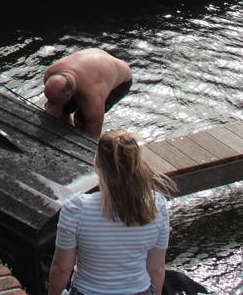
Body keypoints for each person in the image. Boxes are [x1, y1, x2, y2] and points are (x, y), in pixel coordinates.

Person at [48, 130, 174, 295]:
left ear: (97, 163)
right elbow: (156, 268)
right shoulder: (156, 206)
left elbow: (62, 268)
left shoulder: (77, 209)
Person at [43, 49, 133, 138]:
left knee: (81, 120)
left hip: (121, 80)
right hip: (96, 60)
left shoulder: (92, 96)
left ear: (69, 95)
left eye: (55, 101)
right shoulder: (51, 72)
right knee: (64, 110)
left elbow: (93, 137)